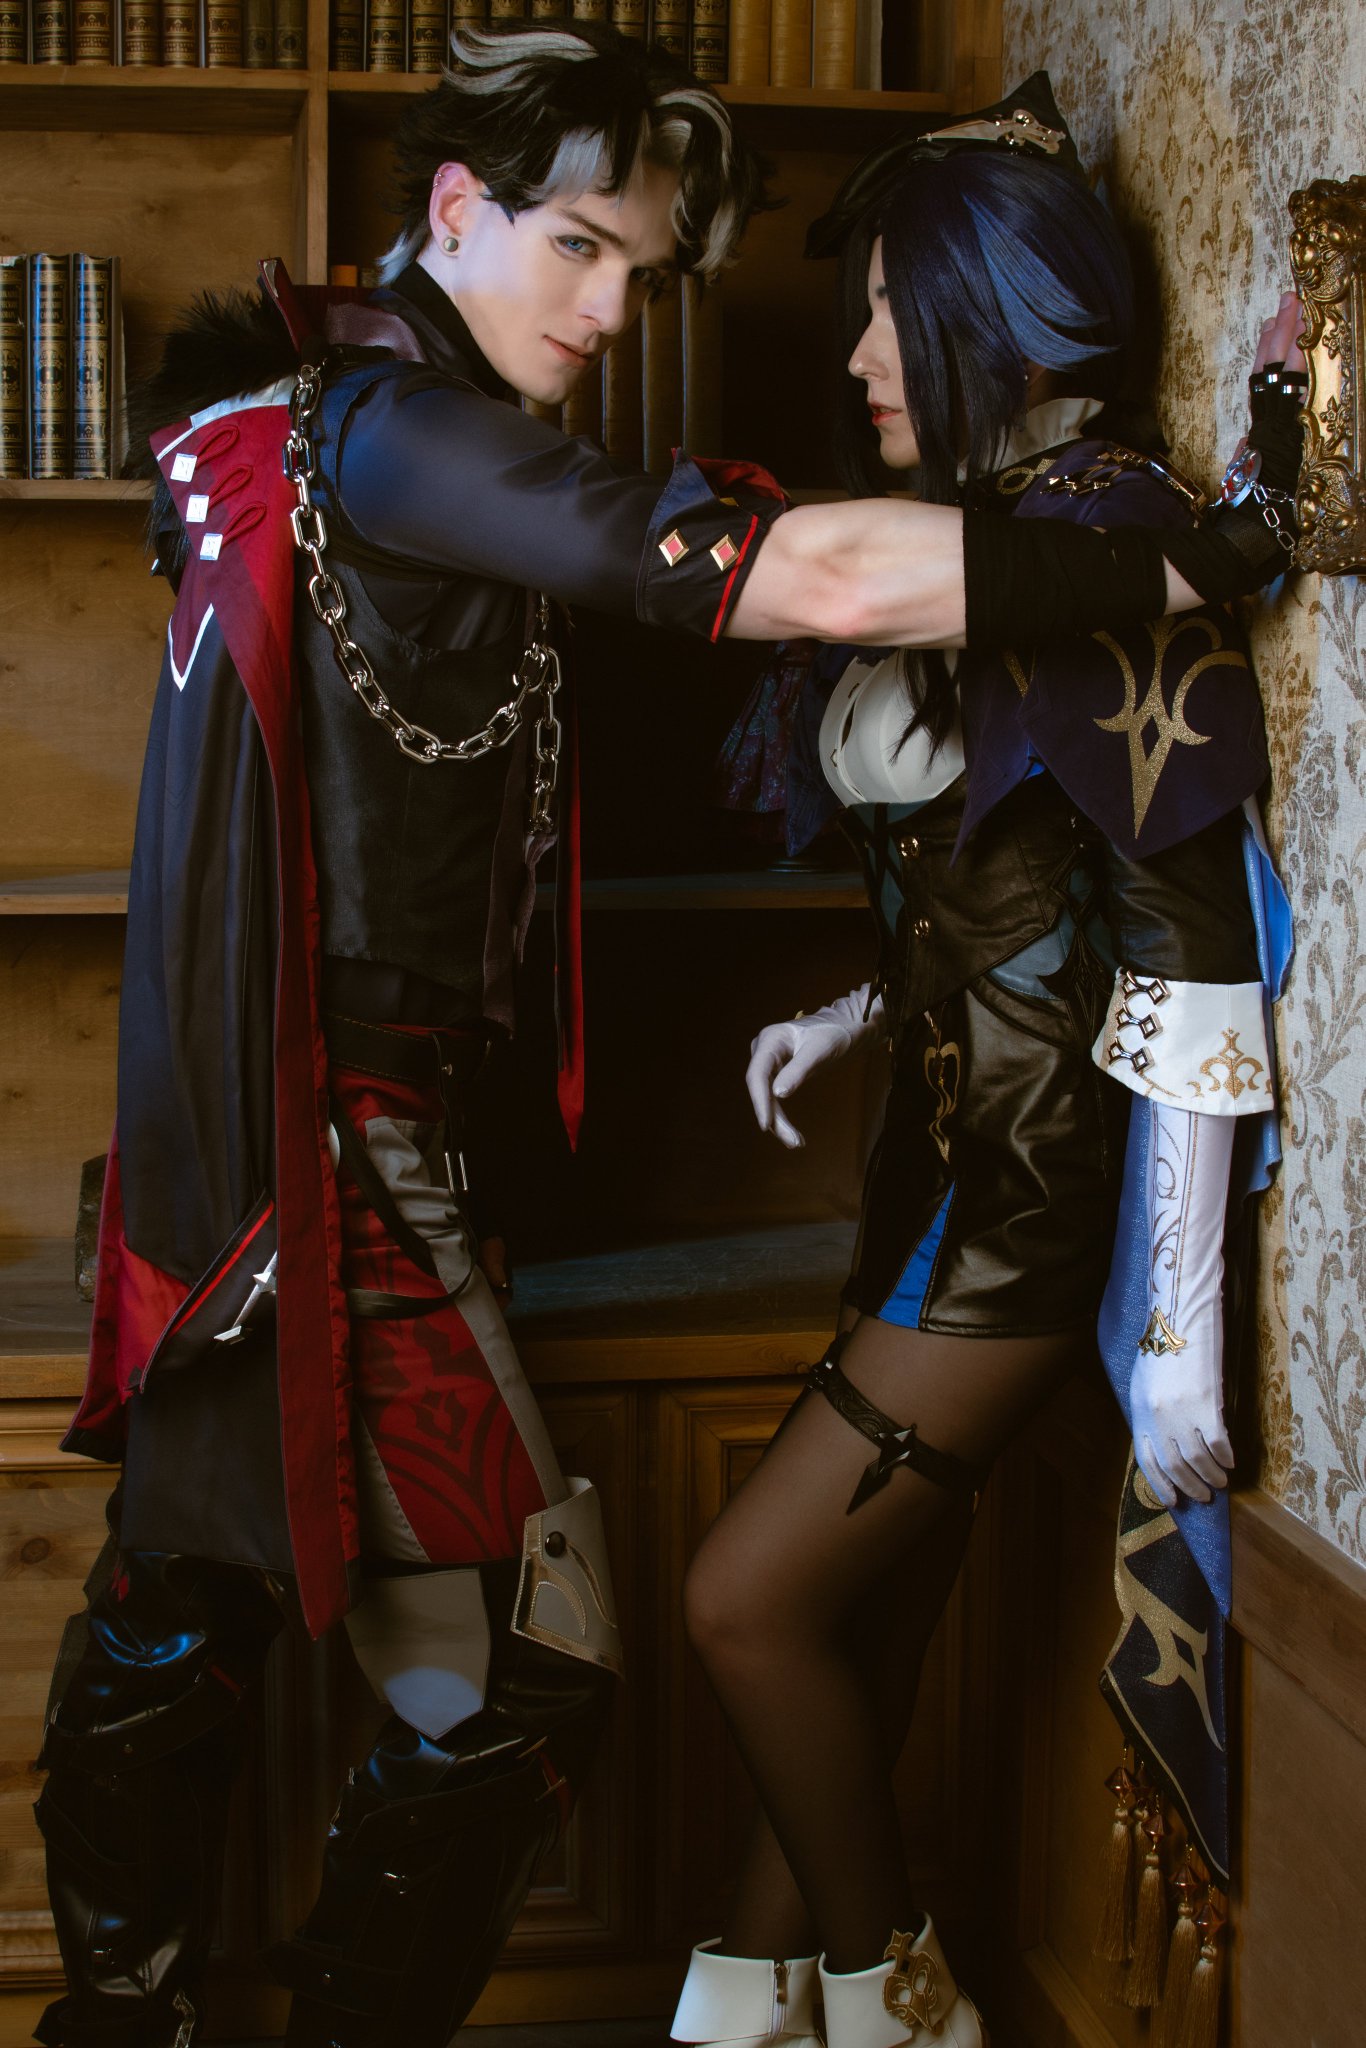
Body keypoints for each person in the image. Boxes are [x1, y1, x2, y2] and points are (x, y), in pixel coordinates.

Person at [35, 28, 1299, 2048]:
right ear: (457, 211)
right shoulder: (397, 431)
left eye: (642, 268)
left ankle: (126, 2019)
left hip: (317, 1138)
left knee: (190, 1590)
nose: (614, 310)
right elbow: (811, 578)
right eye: (577, 247)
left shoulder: (372, 417)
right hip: (320, 1147)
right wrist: (1221, 543)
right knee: (492, 1665)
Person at [669, 76, 1301, 2048]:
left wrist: (1179, 1336)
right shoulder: (994, 535)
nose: (860, 352)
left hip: (1029, 1206)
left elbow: (1186, 951)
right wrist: (847, 1011)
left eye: (889, 309)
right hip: (937, 1173)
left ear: (997, 314)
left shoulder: (1107, 533)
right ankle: (743, 2010)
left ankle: (903, 2007)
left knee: (741, 1600)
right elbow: (1009, 892)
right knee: (855, 1623)